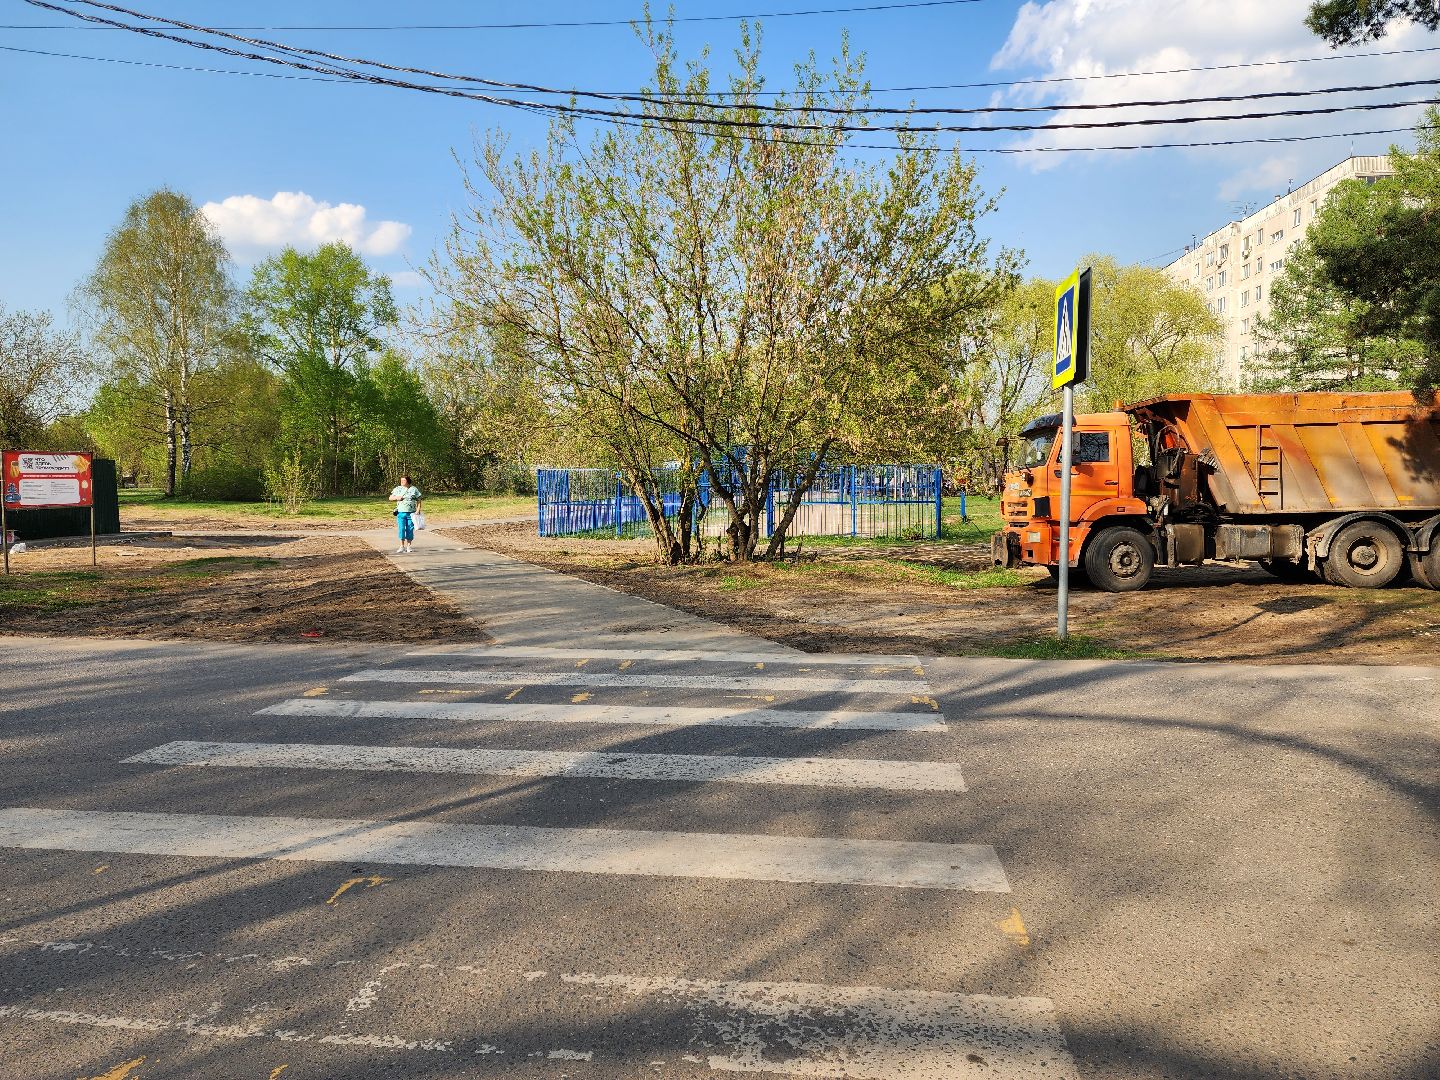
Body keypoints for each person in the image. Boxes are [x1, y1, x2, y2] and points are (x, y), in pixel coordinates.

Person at [388, 473, 423, 554]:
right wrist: (396, 497)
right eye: (401, 480)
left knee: (410, 529)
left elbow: (419, 500)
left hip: (411, 513)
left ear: (408, 481)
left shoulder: (414, 489)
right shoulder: (398, 489)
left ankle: (409, 546)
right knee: (401, 529)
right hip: (400, 512)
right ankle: (401, 546)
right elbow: (390, 498)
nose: (402, 482)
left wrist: (418, 510)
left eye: (403, 480)